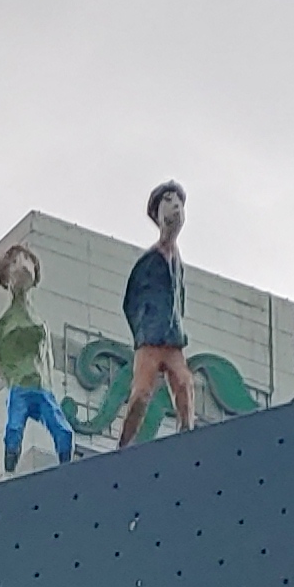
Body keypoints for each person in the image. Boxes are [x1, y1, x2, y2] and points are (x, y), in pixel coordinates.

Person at [117, 181, 199, 444]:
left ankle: (186, 434)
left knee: (184, 383)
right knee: (141, 394)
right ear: (157, 214)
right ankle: (124, 445)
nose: (176, 206)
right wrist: (143, 332)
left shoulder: (178, 261)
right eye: (169, 200)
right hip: (150, 340)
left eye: (179, 202)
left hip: (173, 340)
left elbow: (179, 297)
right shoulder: (149, 260)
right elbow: (130, 302)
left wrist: (176, 327)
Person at [0, 241, 74, 472]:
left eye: (26, 260)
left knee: (63, 430)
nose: (22, 266)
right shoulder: (6, 322)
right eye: (15, 262)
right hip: (20, 385)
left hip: (41, 385)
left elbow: (47, 356)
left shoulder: (38, 320)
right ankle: (9, 472)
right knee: (14, 429)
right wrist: (12, 376)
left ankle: (67, 468)